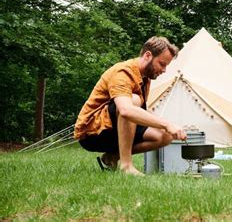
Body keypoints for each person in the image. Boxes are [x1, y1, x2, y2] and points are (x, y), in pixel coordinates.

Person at [74, 36, 187, 176]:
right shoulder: (123, 72)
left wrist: (169, 127)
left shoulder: (145, 77)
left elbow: (138, 113)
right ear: (147, 55)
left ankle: (112, 157)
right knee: (132, 101)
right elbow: (126, 110)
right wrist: (166, 123)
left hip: (114, 129)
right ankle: (126, 166)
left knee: (166, 136)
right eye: (162, 64)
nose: (164, 70)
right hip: (93, 133)